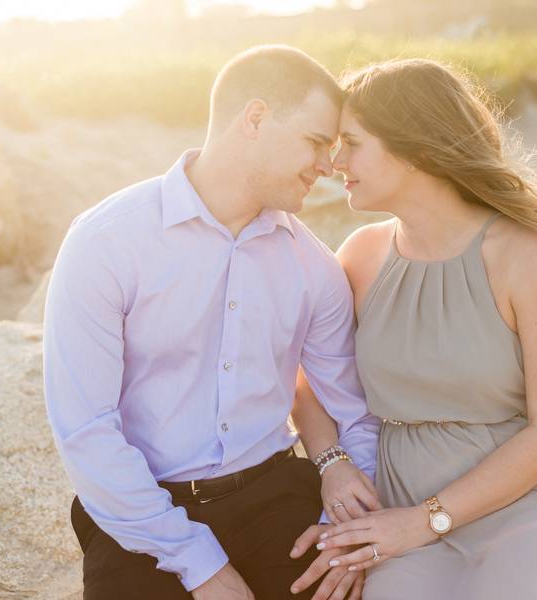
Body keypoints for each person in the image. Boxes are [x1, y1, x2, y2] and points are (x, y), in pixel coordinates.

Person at [289, 59, 537, 600]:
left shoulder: (527, 257)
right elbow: (310, 380)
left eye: (353, 143)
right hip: (404, 505)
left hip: (534, 503)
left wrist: (424, 521)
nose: (335, 161)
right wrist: (332, 464)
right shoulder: (361, 256)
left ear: (414, 150)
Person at [42, 45, 381, 600]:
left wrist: (341, 521)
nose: (328, 165)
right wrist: (200, 565)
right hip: (142, 512)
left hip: (276, 498)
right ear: (255, 118)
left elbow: (354, 413)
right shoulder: (105, 243)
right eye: (317, 142)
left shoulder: (313, 267)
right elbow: (86, 431)